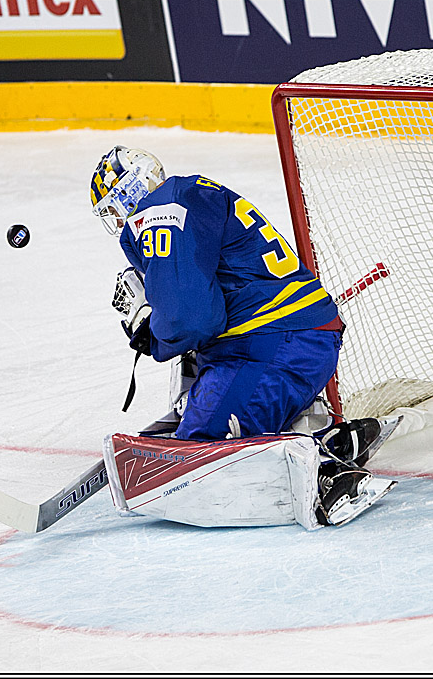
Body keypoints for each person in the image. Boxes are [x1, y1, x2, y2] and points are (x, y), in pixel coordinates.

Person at [89, 145, 394, 470]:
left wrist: (155, 334)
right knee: (199, 405)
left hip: (274, 345)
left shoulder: (160, 212)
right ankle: (318, 432)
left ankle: (325, 468)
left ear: (130, 191)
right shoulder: (187, 194)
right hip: (287, 339)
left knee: (199, 453)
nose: (118, 219)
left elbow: (190, 320)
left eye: (114, 208)